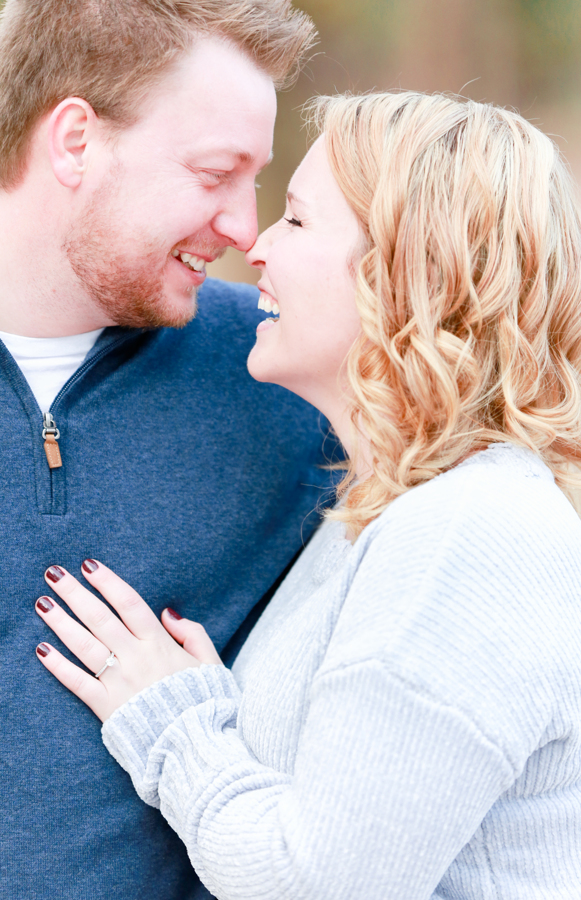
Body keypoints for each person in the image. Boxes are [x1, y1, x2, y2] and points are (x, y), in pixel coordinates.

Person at [36, 91, 581, 898]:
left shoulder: (463, 533)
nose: (256, 246)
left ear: (410, 268)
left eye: (296, 221)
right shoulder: (388, 507)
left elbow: (318, 885)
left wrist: (174, 720)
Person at [0, 2, 339, 899]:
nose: (244, 229)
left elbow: (495, 518)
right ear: (75, 140)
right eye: (215, 173)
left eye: (258, 182)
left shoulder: (290, 367)